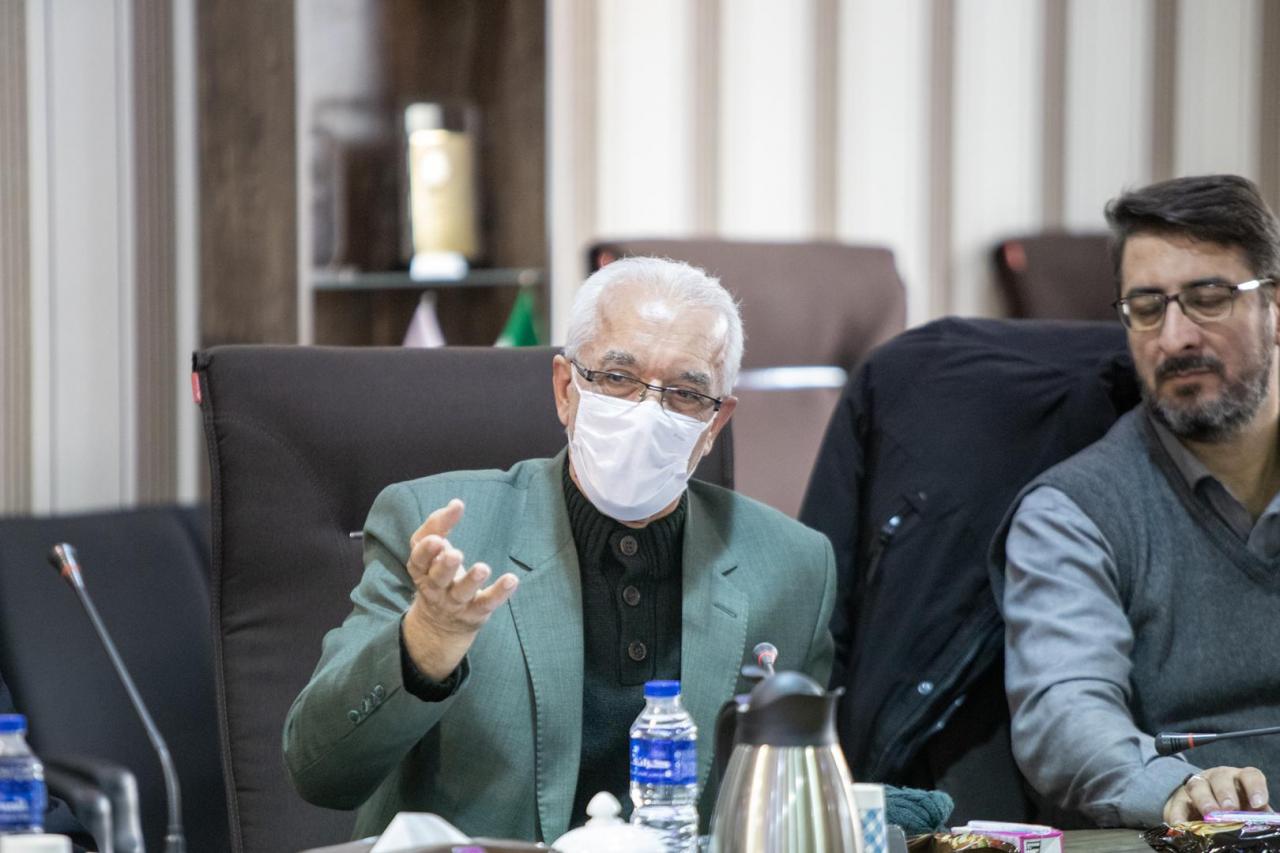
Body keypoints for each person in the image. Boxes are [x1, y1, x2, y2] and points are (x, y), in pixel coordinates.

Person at [282, 257, 836, 843]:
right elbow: (320, 772)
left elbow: (809, 806)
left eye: (685, 393)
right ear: (566, 390)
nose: (647, 413)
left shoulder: (793, 567)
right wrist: (427, 643)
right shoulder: (439, 530)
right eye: (618, 378)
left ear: (715, 424)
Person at [992, 174, 1280, 828]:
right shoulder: (1073, 513)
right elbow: (1065, 715)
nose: (1174, 338)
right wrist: (1181, 791)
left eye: (1208, 298)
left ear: (1274, 307)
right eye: (1147, 307)